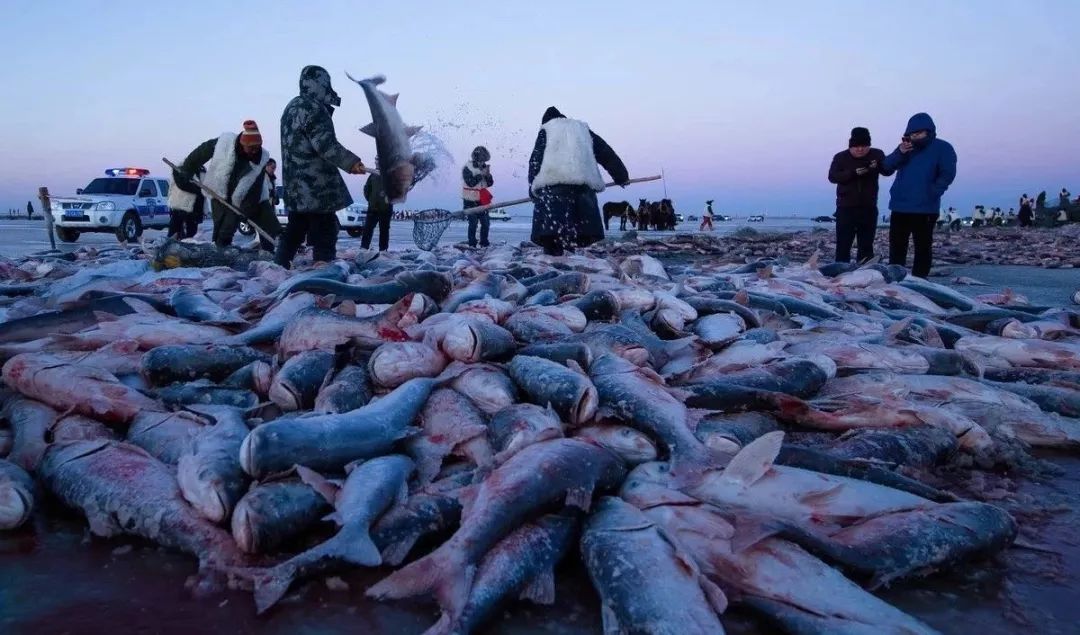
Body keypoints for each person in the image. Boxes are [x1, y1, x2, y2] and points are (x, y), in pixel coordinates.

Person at [275, 65, 366, 268]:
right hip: (316, 186)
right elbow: (325, 145)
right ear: (321, 84)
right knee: (326, 227)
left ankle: (279, 265)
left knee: (295, 228)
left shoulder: (291, 107)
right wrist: (351, 162)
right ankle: (323, 271)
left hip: (295, 185)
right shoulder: (313, 109)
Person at [527, 107, 628, 256]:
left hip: (553, 191)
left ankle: (557, 266)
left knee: (553, 237)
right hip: (583, 192)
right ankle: (571, 261)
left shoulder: (547, 130)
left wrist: (532, 189)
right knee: (574, 235)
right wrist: (621, 176)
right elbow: (606, 153)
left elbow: (535, 161)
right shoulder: (582, 130)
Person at [170, 120, 279, 250]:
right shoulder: (225, 143)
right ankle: (221, 251)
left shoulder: (261, 158)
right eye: (251, 148)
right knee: (223, 227)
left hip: (246, 196)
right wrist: (188, 169)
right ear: (243, 143)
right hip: (219, 192)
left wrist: (245, 210)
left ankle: (271, 251)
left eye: (257, 148)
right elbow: (201, 153)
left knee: (269, 224)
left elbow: (254, 189)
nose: (254, 152)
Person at [882, 113, 957, 278]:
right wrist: (900, 153)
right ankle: (895, 279)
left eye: (919, 133)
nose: (915, 137)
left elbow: (947, 174)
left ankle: (920, 280)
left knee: (923, 246)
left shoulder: (943, 148)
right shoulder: (905, 148)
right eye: (912, 134)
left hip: (925, 208)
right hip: (900, 205)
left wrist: (933, 192)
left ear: (929, 132)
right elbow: (886, 168)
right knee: (897, 246)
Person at [827, 126, 887, 263]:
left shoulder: (876, 154)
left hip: (869, 208)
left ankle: (864, 276)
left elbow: (887, 171)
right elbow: (832, 177)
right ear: (850, 146)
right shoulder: (841, 157)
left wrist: (876, 165)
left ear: (869, 145)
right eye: (856, 146)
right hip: (845, 208)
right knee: (843, 245)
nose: (860, 149)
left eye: (864, 146)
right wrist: (853, 173)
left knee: (866, 246)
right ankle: (840, 277)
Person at [462, 146, 494, 248]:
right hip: (470, 200)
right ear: (475, 158)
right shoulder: (467, 168)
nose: (482, 163)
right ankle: (472, 244)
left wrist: (488, 176)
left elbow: (490, 183)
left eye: (484, 160)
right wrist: (481, 175)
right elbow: (470, 183)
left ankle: (484, 243)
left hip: (483, 201)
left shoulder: (484, 167)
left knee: (485, 223)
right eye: (481, 160)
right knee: (473, 223)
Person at [361, 167, 392, 251]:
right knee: (368, 228)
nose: (377, 161)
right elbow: (366, 189)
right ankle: (364, 247)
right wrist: (371, 200)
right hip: (373, 207)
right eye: (376, 159)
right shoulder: (372, 175)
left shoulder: (390, 174)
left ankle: (383, 250)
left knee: (384, 229)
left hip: (386, 208)